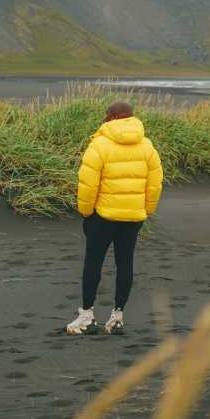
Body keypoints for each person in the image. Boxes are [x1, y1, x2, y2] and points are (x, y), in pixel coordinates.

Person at [67, 101, 163, 335]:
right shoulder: (147, 146)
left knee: (94, 262)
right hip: (133, 217)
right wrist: (147, 211)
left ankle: (87, 316)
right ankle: (117, 316)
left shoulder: (99, 145)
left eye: (106, 114)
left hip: (103, 216)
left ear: (111, 117)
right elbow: (154, 184)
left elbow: (88, 184)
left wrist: (86, 212)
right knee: (125, 263)